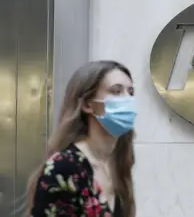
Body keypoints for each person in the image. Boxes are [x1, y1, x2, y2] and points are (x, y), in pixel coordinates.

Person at [27, 60, 136, 217]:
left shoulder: (117, 163)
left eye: (131, 92)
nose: (128, 100)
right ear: (88, 104)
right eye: (116, 91)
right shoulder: (65, 167)